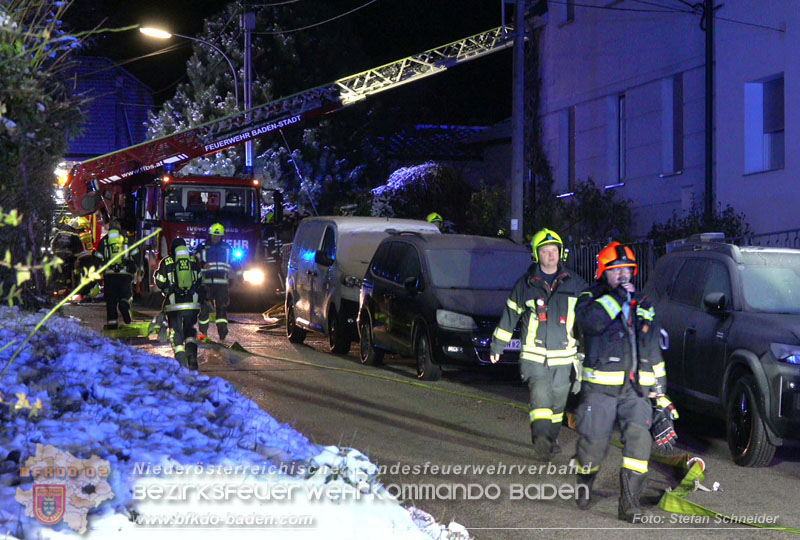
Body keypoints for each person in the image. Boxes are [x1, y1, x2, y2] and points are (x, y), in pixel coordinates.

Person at [572, 241, 672, 522]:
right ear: (603, 272)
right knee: (593, 445)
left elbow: (653, 350)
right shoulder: (589, 298)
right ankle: (584, 479)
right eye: (616, 270)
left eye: (627, 270)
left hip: (635, 392)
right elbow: (589, 324)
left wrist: (661, 397)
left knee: (640, 445)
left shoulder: (644, 303)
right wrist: (617, 298)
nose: (623, 275)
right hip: (600, 391)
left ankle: (629, 505)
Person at [490, 228, 586, 460]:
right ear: (537, 255)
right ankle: (541, 440)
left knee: (557, 406)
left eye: (554, 250)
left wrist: (587, 352)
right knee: (541, 397)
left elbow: (588, 320)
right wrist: (497, 346)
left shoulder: (576, 284)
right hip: (534, 356)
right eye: (545, 251)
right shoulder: (525, 285)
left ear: (560, 254)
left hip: (565, 358)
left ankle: (550, 440)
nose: (551, 255)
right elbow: (510, 316)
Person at [155, 238, 202, 369]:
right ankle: (192, 356)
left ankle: (181, 359)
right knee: (190, 331)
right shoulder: (193, 261)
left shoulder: (167, 261)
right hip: (191, 304)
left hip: (173, 305)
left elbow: (160, 281)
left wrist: (166, 288)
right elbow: (199, 280)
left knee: (175, 331)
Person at [194, 222, 234, 341]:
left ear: (222, 236)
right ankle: (202, 334)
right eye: (213, 235)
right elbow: (194, 259)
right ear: (209, 235)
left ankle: (222, 335)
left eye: (218, 236)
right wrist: (201, 265)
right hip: (206, 283)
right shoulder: (202, 246)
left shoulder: (227, 248)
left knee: (221, 309)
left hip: (222, 284)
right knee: (204, 310)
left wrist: (237, 277)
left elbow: (235, 263)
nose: (216, 238)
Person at [96, 220, 138, 329]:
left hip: (109, 276)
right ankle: (124, 305)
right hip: (125, 274)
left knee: (111, 300)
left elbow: (97, 258)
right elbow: (136, 254)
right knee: (126, 295)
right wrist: (136, 266)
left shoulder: (104, 241)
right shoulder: (127, 240)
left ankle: (112, 324)